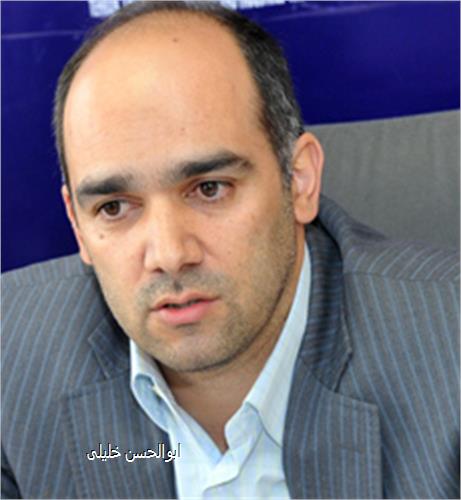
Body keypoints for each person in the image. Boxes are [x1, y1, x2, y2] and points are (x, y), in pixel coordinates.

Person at [2, 1, 459, 498]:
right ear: (77, 224)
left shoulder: (449, 354)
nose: (170, 254)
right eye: (114, 207)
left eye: (209, 189)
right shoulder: (11, 359)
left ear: (299, 180)